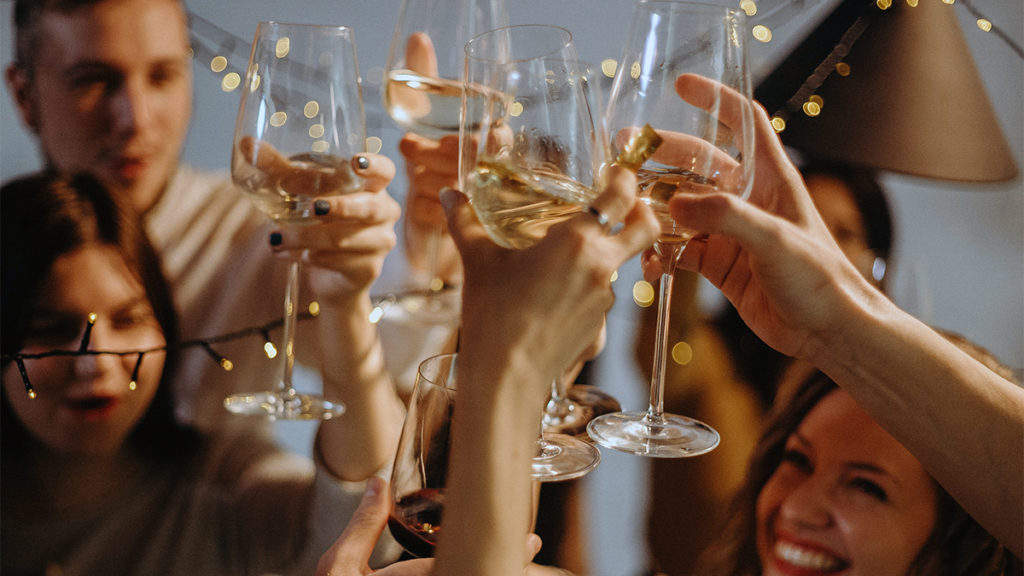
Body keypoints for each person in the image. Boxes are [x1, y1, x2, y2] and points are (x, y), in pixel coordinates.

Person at [315, 73, 1024, 575]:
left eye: (867, 486)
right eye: (794, 460)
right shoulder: (738, 356)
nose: (799, 505)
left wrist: (514, 356)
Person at [4, 0, 404, 434]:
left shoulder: (258, 233)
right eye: (94, 81)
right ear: (25, 97)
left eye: (162, 76)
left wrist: (412, 254)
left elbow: (398, 364)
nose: (135, 119)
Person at [0, 171, 404, 575]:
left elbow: (363, 531)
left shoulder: (221, 485)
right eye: (52, 329)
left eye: (127, 320)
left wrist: (343, 303)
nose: (97, 362)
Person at [639, 159, 895, 574]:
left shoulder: (874, 406)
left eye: (842, 234)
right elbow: (666, 353)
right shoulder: (712, 357)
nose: (814, 247)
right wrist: (683, 225)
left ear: (877, 267)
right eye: (795, 225)